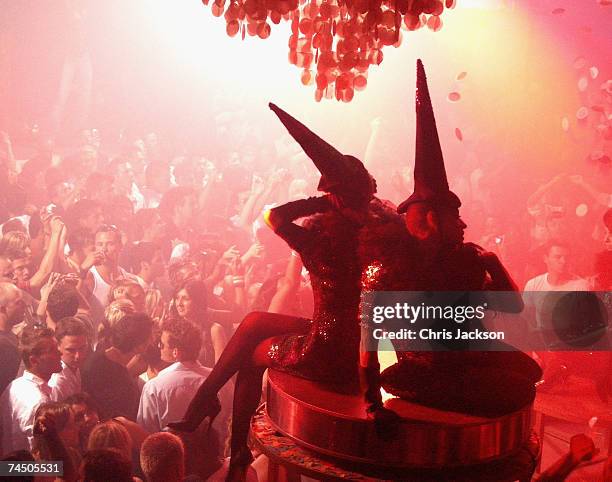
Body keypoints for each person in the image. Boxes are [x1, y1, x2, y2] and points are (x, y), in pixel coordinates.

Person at [169, 102, 379, 480]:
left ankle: (231, 446)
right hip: (350, 342)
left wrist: (317, 202)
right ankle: (208, 405)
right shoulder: (374, 237)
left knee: (250, 354)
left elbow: (272, 217)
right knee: (253, 321)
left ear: (332, 198)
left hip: (326, 348)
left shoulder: (320, 242)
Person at [138, 318, 228, 478]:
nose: (159, 346)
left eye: (162, 343)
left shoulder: (155, 386)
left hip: (171, 470)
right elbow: (229, 423)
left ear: (176, 351)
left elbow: (147, 432)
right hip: (215, 466)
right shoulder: (221, 380)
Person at [1, 326, 62, 453]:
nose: (60, 353)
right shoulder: (38, 402)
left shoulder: (14, 386)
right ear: (34, 360)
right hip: (26, 471)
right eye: (53, 350)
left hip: (11, 468)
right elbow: (39, 453)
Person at [81, 312, 153, 420]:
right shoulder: (101, 368)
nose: (153, 341)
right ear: (141, 345)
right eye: (150, 337)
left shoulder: (97, 359)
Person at [172, 279, 227, 367]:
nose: (179, 303)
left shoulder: (215, 330)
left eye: (185, 298)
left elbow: (221, 371)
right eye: (177, 298)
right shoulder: (174, 329)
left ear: (198, 301)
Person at [49, 317, 91, 402]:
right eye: (71, 350)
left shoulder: (74, 367)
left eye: (82, 348)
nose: (78, 356)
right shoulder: (58, 383)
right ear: (58, 346)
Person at [0, 282, 25, 394]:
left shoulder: (9, 336)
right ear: (2, 309)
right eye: (18, 303)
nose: (24, 305)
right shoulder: (2, 345)